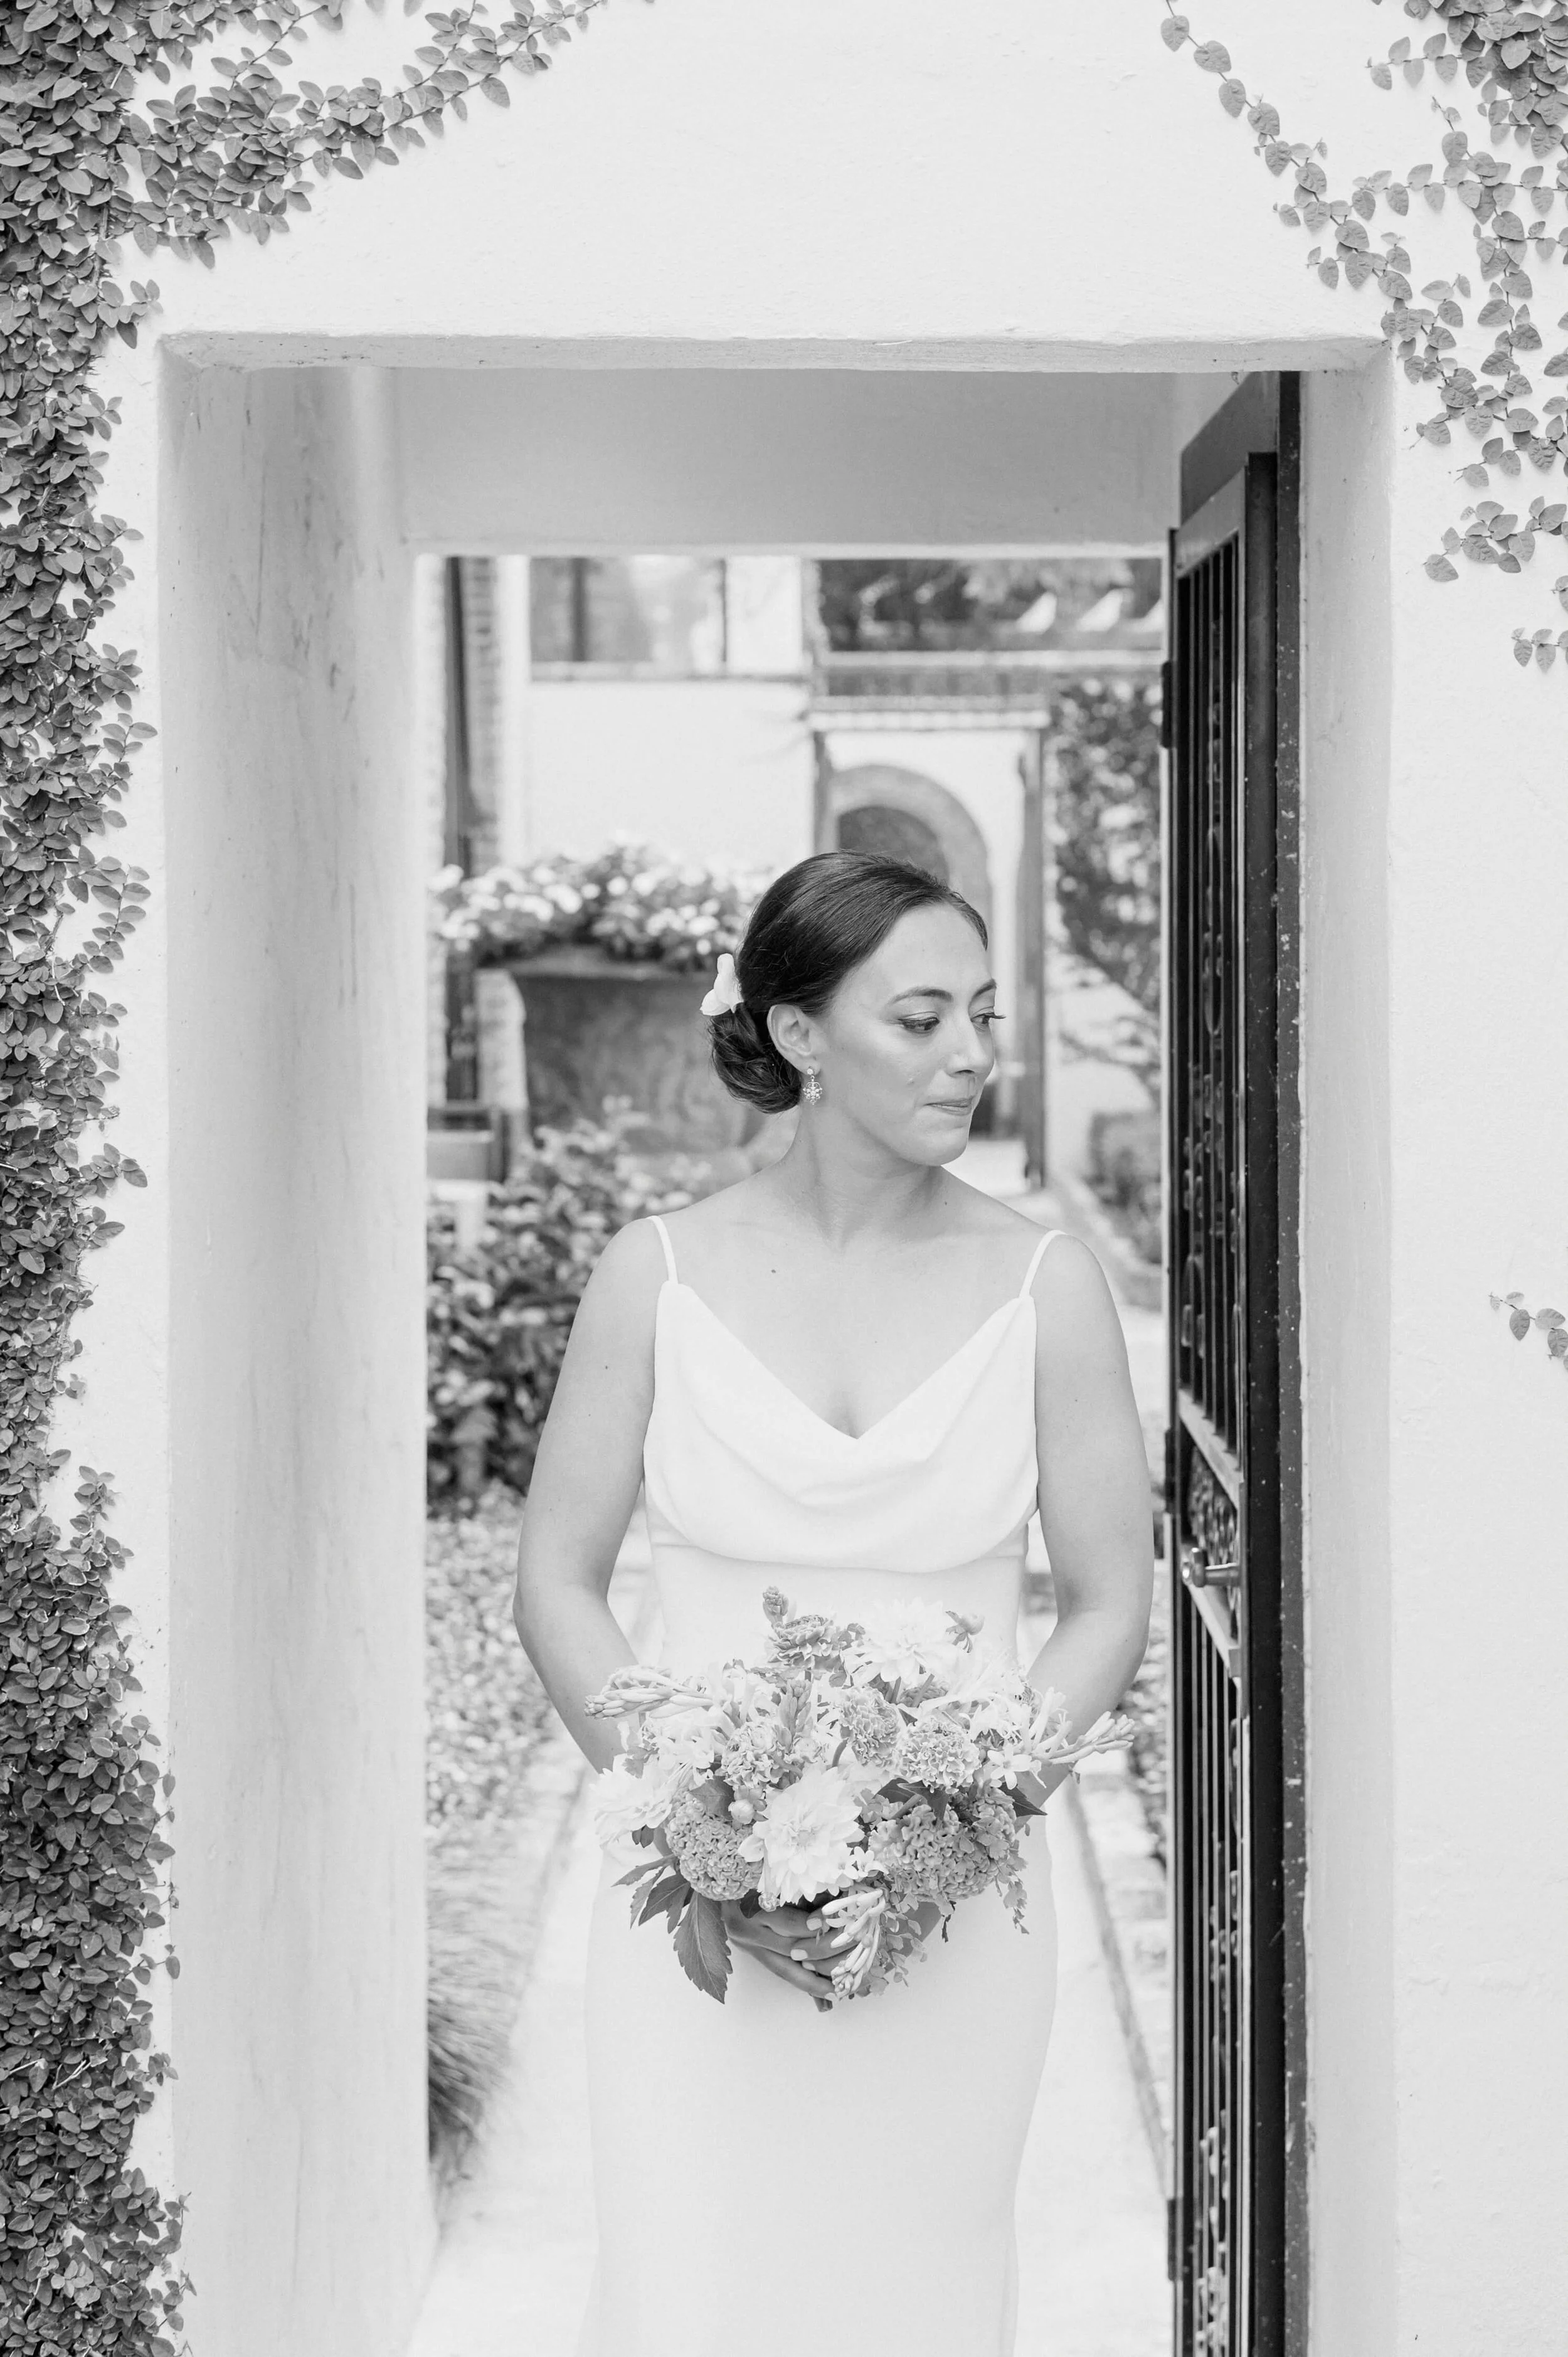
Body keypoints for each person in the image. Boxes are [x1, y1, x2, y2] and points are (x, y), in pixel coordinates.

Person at [513, 850, 1153, 2355]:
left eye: (982, 1015)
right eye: (920, 1018)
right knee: (691, 2289)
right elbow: (555, 1581)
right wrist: (704, 1837)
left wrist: (956, 1827)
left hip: (955, 1921)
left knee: (914, 2294)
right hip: (691, 1919)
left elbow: (1108, 1604)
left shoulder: (1045, 1285)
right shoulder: (653, 1276)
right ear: (799, 1032)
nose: (970, 1054)